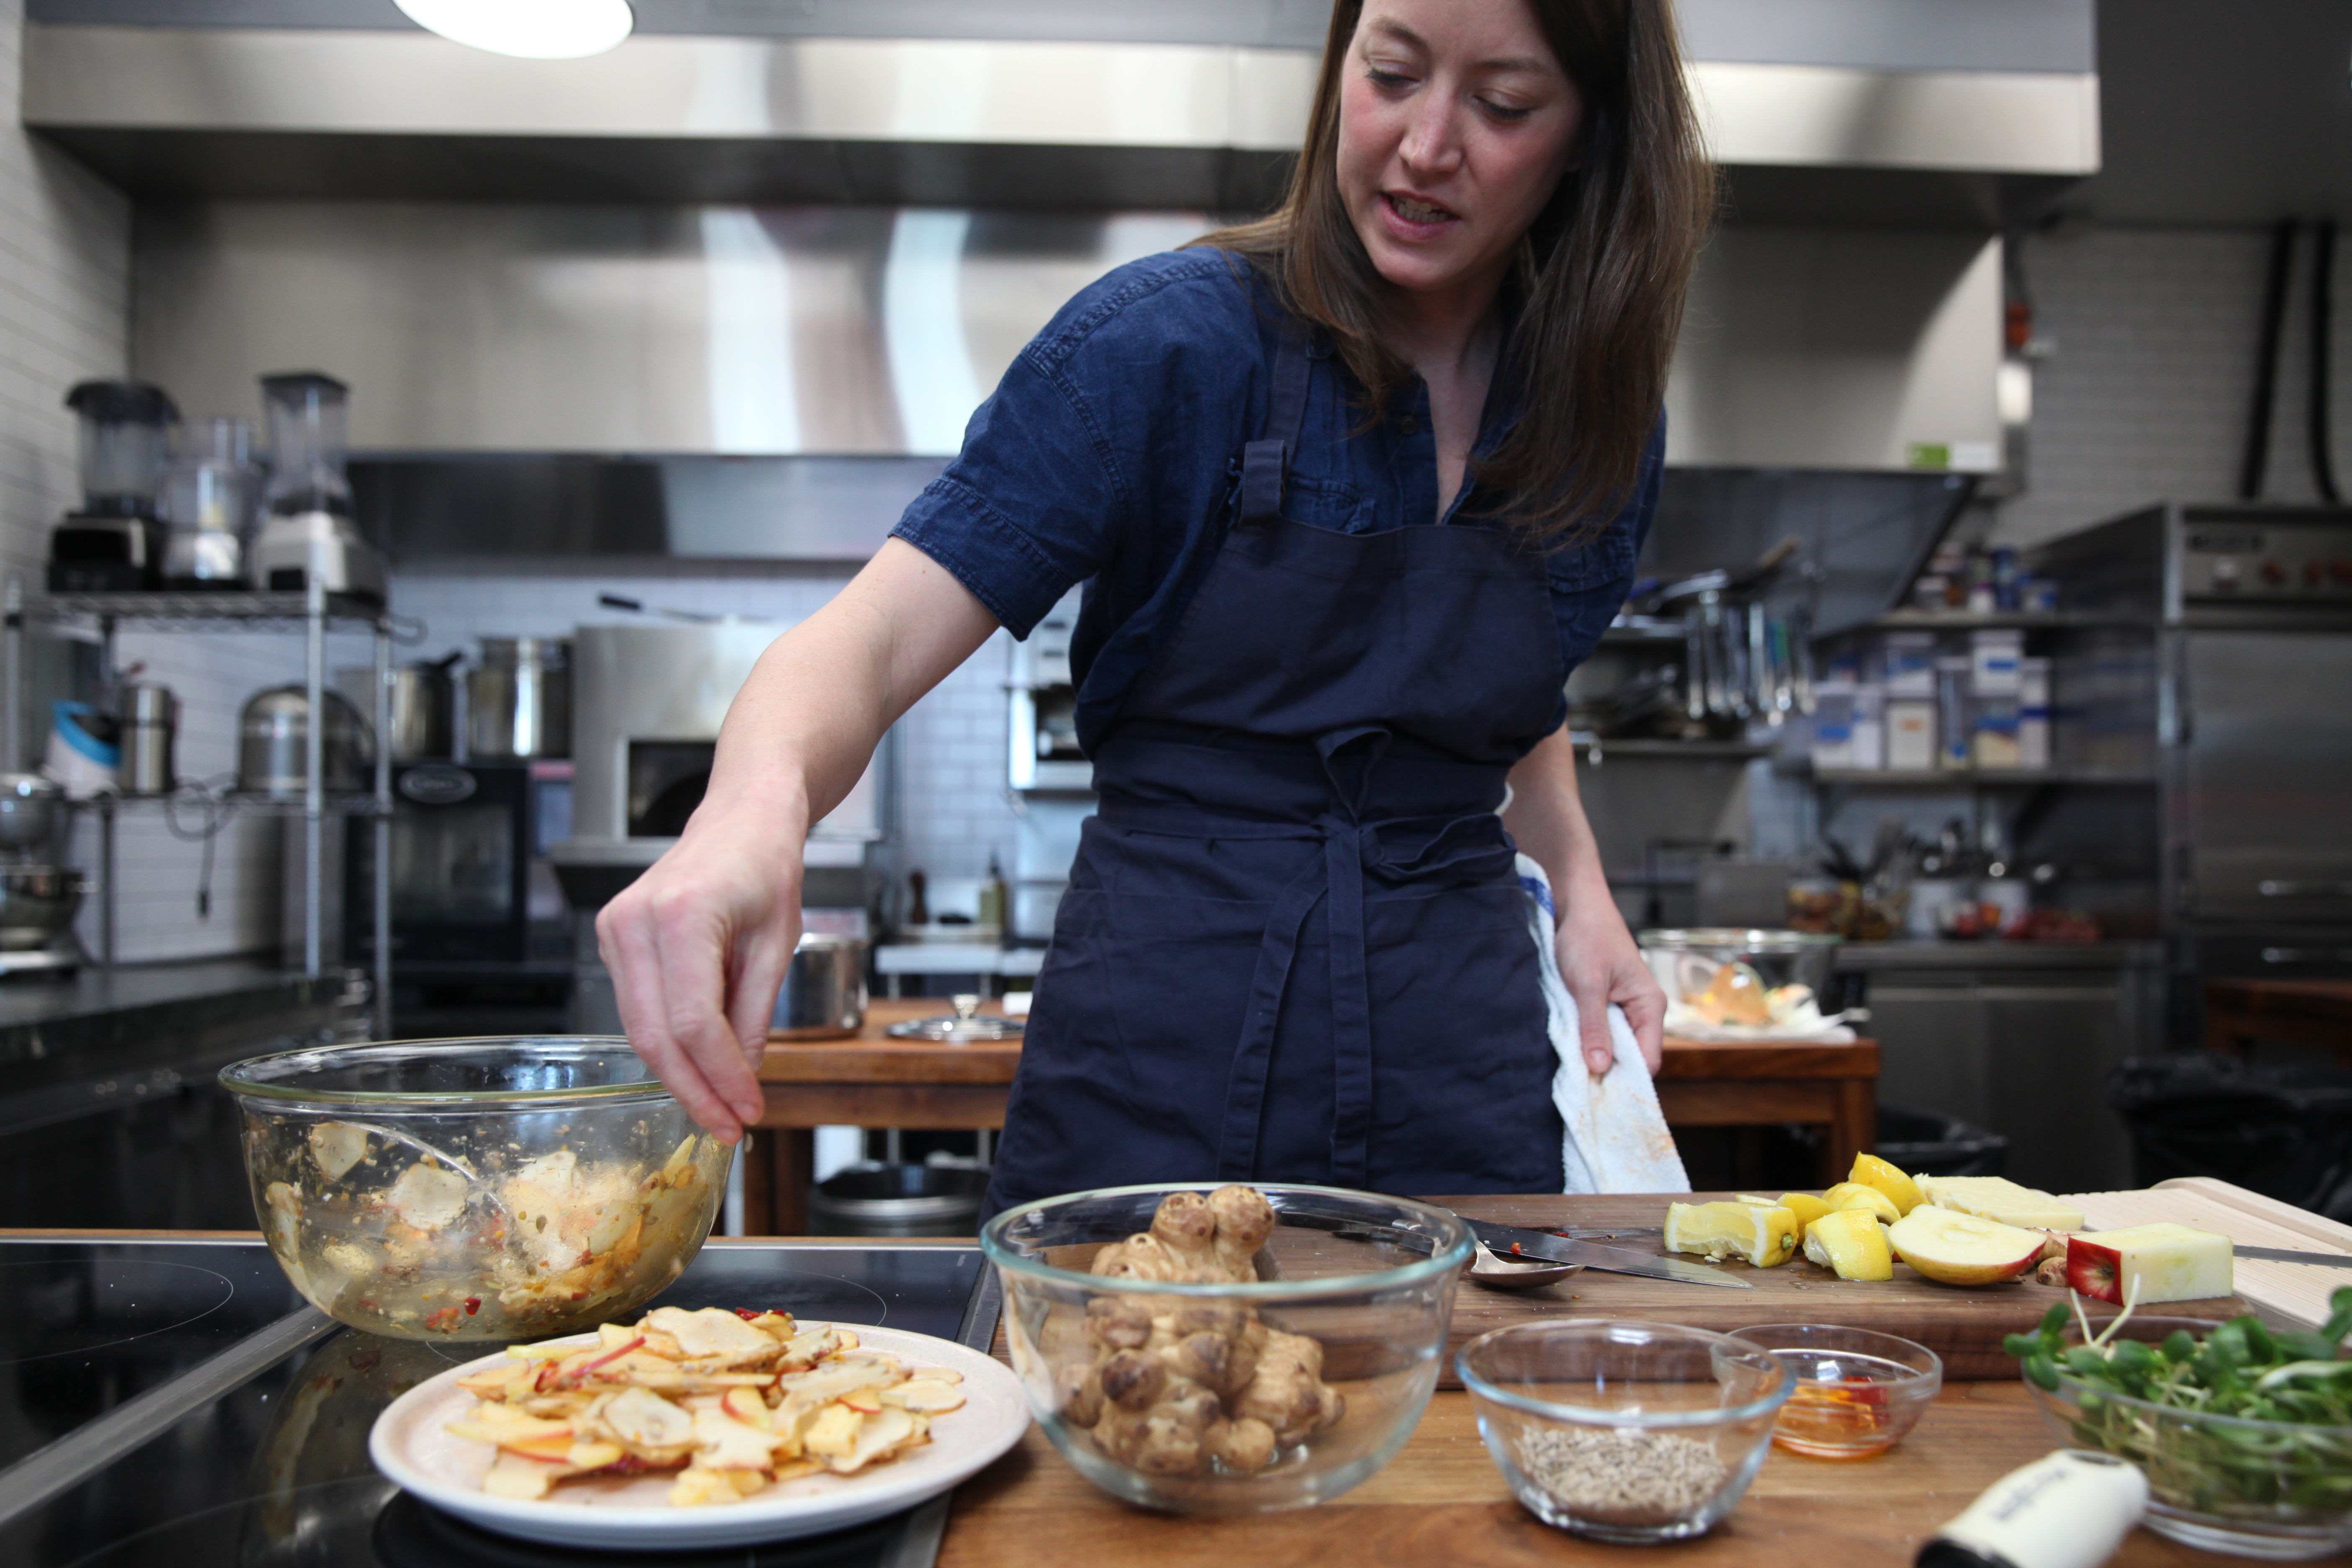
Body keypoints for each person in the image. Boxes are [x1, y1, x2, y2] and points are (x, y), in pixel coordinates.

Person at [598, 0, 1712, 1213]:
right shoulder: (1166, 347)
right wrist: (744, 818)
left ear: (1591, 139)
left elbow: (1506, 698)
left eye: (1502, 105)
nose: (1425, 144)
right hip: (1166, 1037)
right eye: (1390, 74)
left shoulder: (1594, 413)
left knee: (1456, 1398)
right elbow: (863, 642)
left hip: (1457, 1048)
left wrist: (1582, 884)